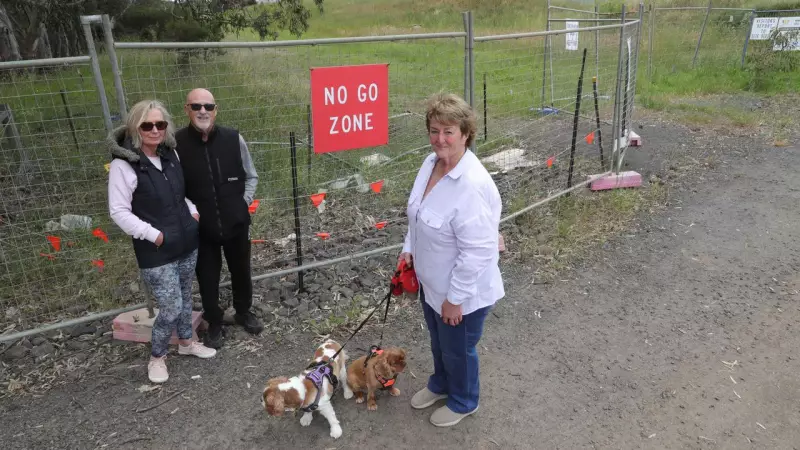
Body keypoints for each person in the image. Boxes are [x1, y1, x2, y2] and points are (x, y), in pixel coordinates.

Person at [400, 92, 504, 427]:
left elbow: (477, 252)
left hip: (461, 294)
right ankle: (442, 384)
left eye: (448, 131)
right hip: (432, 284)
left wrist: (455, 300)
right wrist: (408, 251)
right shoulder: (430, 164)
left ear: (465, 134)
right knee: (439, 343)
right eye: (434, 130)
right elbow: (417, 214)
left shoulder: (470, 185)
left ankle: (463, 400)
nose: (440, 138)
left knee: (458, 350)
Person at [108, 99, 217, 384]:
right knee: (170, 306)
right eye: (147, 125)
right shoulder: (124, 165)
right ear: (135, 127)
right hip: (156, 250)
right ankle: (157, 357)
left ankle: (186, 343)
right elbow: (118, 211)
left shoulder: (170, 155)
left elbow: (180, 194)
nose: (155, 130)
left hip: (185, 241)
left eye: (160, 124)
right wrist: (154, 235)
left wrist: (192, 212)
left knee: (184, 296)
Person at [174, 88, 263, 349]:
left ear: (216, 110)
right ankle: (214, 320)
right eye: (197, 106)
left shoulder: (233, 138)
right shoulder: (177, 144)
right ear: (187, 109)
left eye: (209, 106)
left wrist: (242, 203)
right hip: (201, 228)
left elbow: (251, 175)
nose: (203, 111)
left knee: (241, 269)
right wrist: (190, 213)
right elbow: (176, 188)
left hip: (236, 222)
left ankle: (243, 311)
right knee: (208, 276)